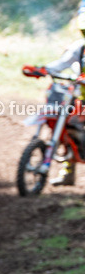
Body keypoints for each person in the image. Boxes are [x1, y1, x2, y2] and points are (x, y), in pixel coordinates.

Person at [31, 12, 85, 185]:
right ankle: (68, 172)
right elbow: (62, 63)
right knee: (68, 129)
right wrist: (43, 69)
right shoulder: (80, 47)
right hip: (80, 99)